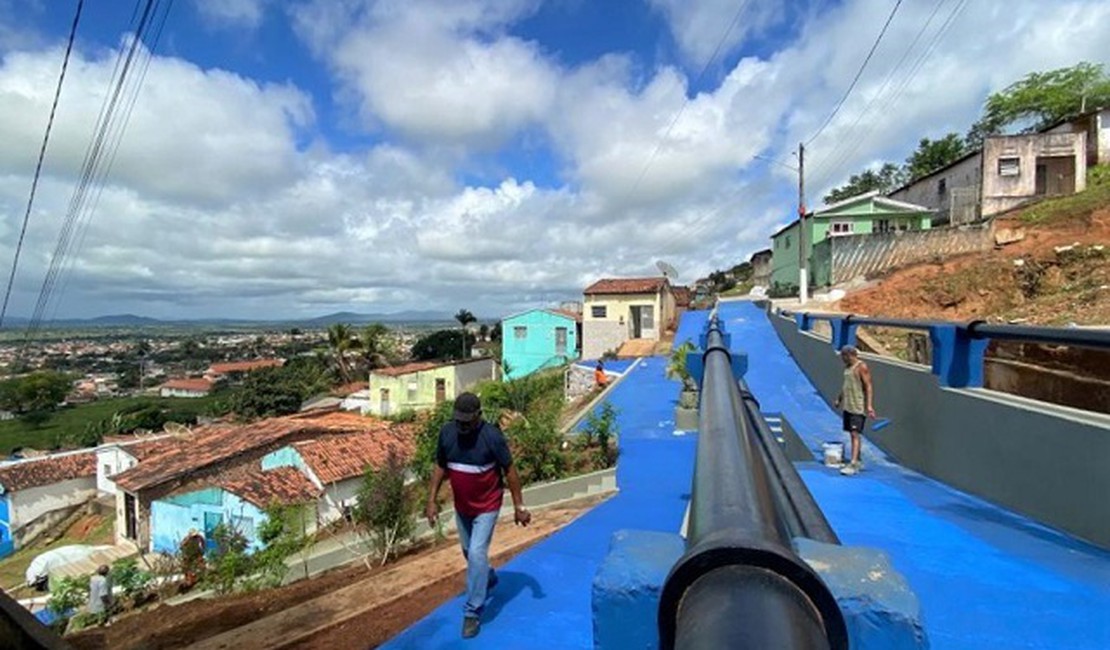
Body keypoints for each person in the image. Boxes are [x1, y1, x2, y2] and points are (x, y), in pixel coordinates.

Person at [426, 392, 531, 639]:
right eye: (459, 420)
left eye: (467, 421)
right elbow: (440, 466)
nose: (462, 426)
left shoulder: (492, 437)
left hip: (487, 506)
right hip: (462, 507)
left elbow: (510, 470)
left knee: (475, 553)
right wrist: (430, 500)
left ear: (479, 417)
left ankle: (472, 611)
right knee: (468, 552)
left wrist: (519, 506)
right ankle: (488, 575)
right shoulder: (447, 433)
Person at [833, 346, 875, 476]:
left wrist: (869, 406)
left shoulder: (861, 367)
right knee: (852, 433)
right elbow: (846, 385)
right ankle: (858, 459)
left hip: (857, 405)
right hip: (848, 405)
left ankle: (853, 463)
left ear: (850, 355)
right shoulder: (847, 368)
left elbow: (868, 386)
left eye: (843, 357)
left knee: (854, 434)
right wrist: (839, 399)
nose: (842, 359)